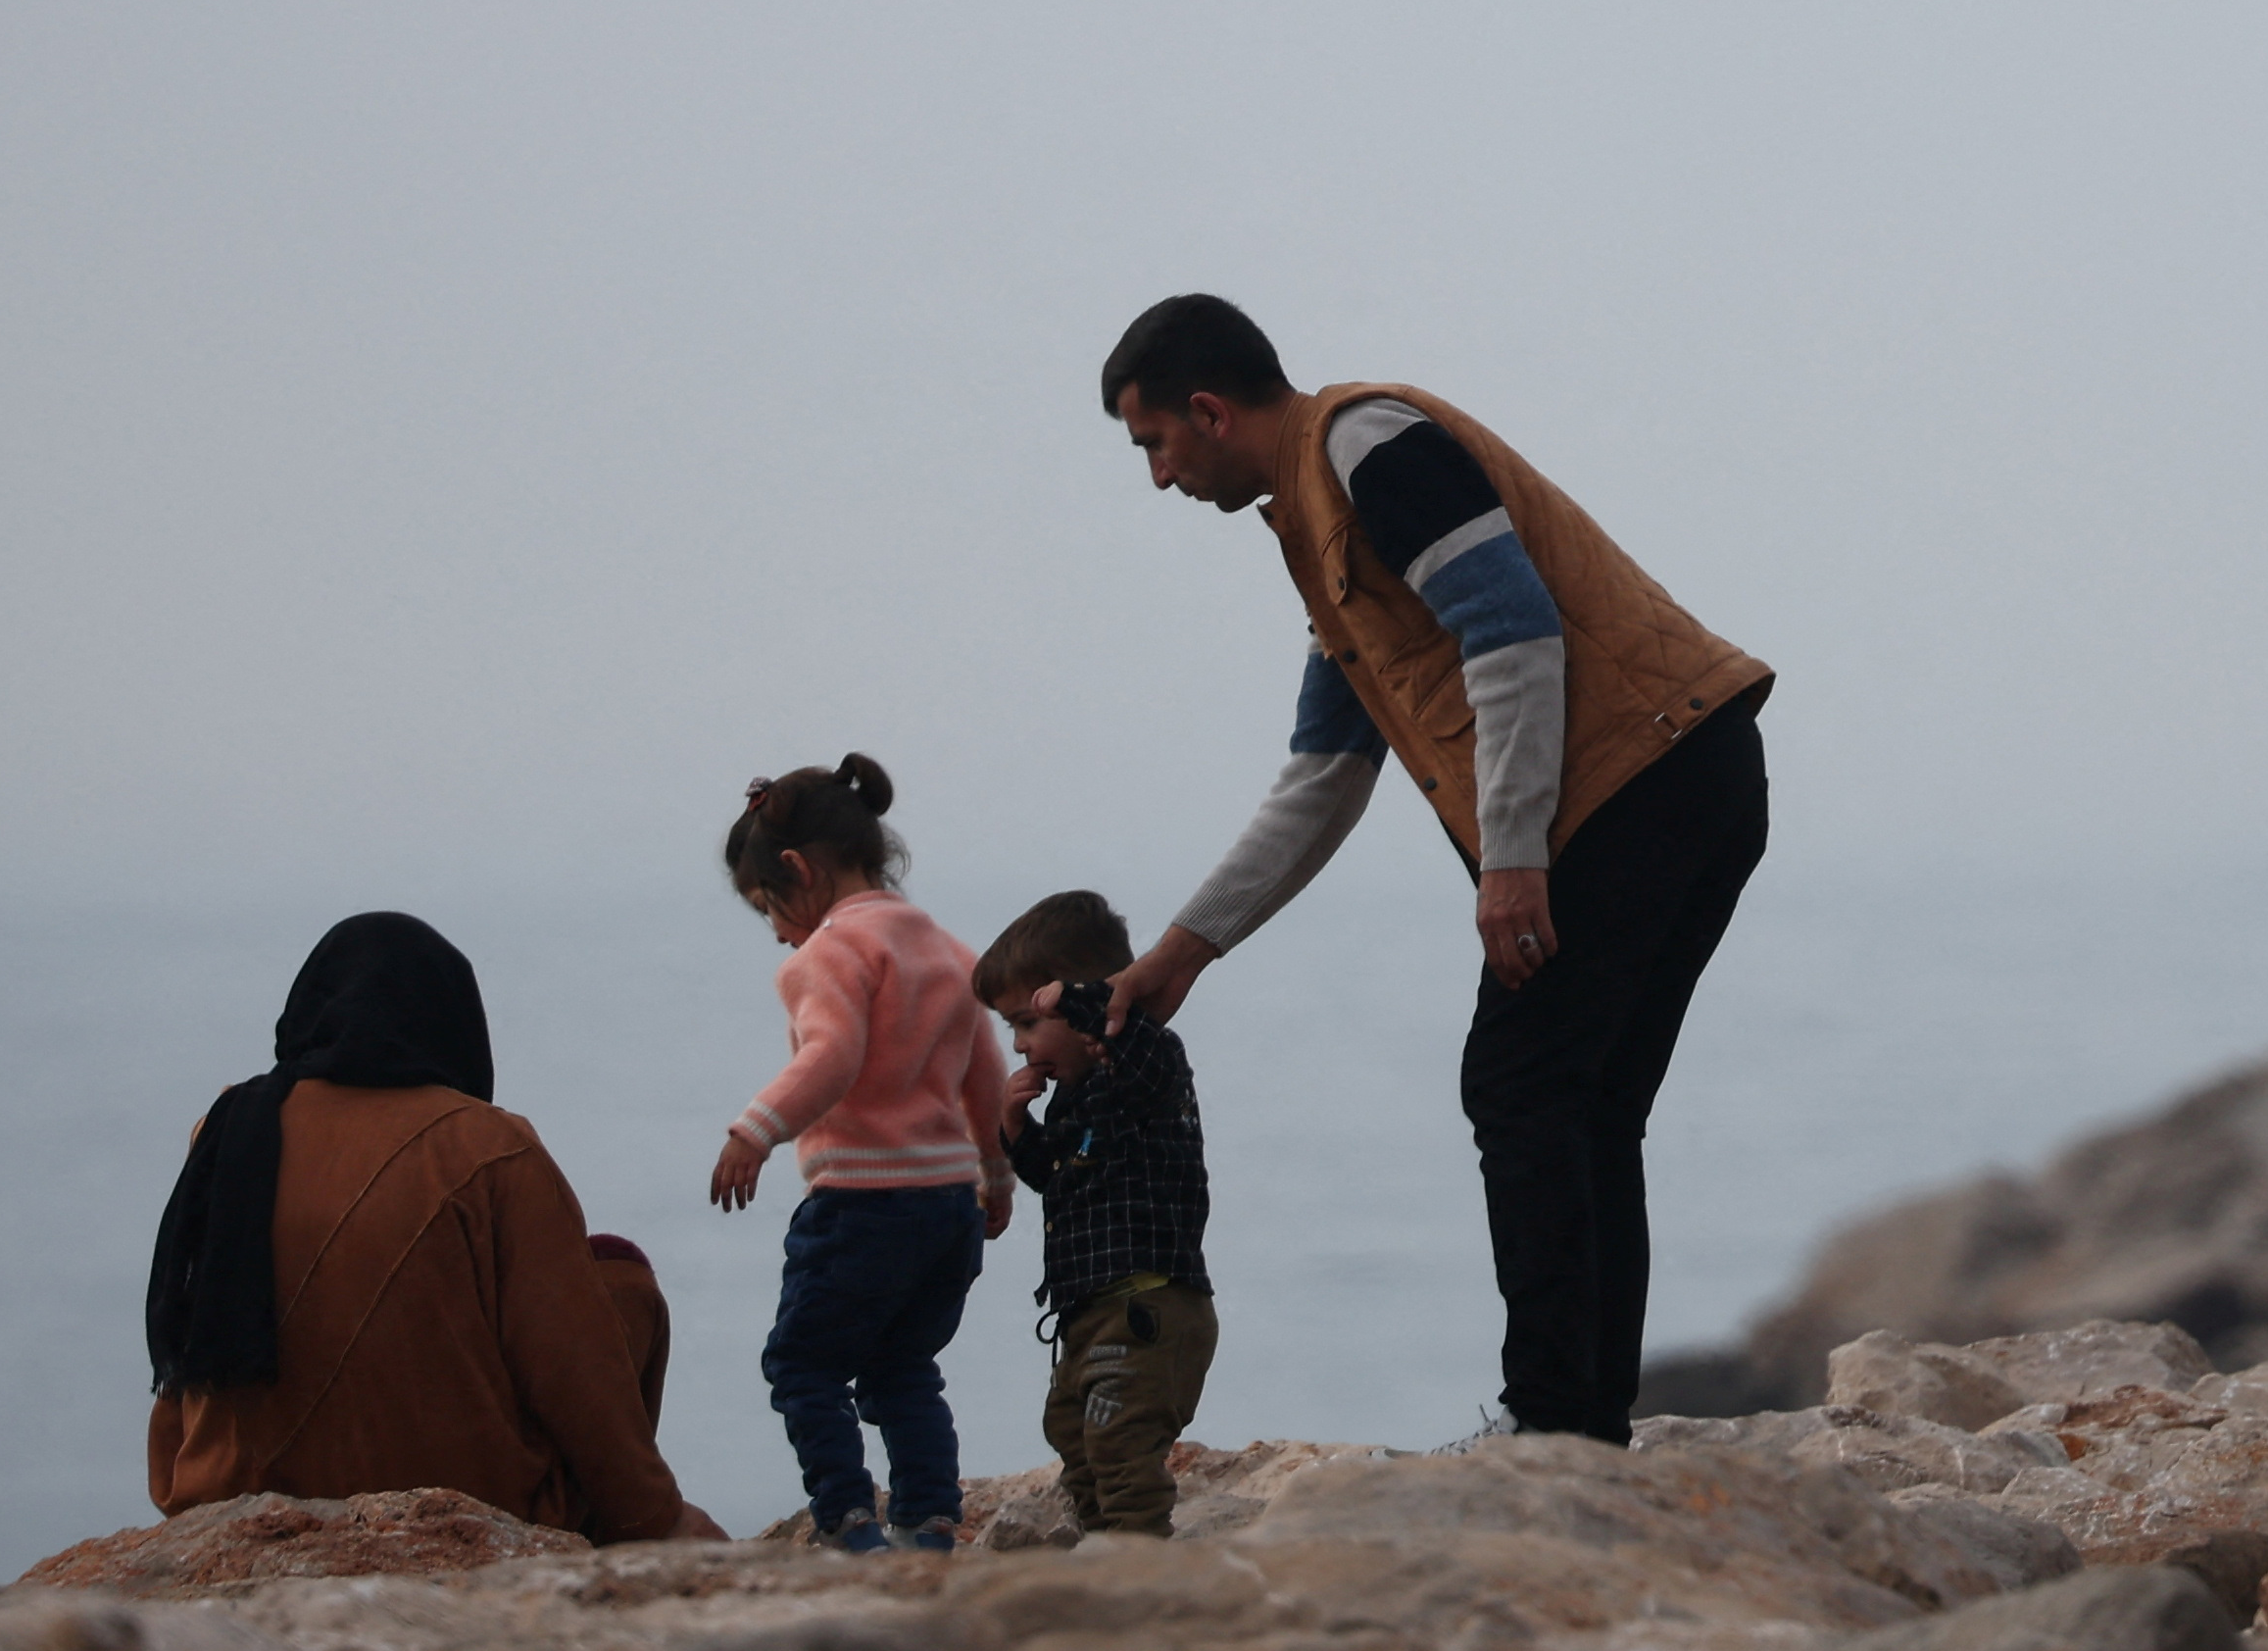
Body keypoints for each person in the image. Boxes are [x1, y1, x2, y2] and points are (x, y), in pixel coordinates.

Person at [1094, 291, 1773, 1447]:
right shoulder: (1319, 528)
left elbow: (1513, 631)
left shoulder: (1366, 446)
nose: (1156, 477)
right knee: (1583, 1104)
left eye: (1151, 443)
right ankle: (1582, 1424)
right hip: (1683, 773)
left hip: (1641, 782)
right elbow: (1323, 772)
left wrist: (1508, 864)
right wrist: (1181, 951)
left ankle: (1555, 1424)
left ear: (1206, 412)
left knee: (1521, 1088)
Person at [145, 912, 712, 1543]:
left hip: (227, 1489)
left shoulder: (229, 1128)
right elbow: (572, 1369)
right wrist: (661, 1519)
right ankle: (624, 1522)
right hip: (457, 1499)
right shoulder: (491, 1146)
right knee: (617, 1276)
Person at [709, 755, 1011, 1552]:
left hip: (863, 1200)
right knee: (903, 1366)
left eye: (767, 906)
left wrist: (756, 1128)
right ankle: (929, 1524)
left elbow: (833, 1054)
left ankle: (850, 1527)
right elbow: (986, 1068)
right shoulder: (947, 948)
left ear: (797, 869)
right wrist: (996, 1169)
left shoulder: (826, 954)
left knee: (803, 1367)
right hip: (948, 1203)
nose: (775, 930)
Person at [977, 890, 1216, 1535]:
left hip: (1149, 1309)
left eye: (1029, 1021)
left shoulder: (1147, 1063)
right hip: (1091, 1313)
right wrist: (1014, 1125)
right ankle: (1101, 1549)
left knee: (1119, 1442)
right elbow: (1057, 1180)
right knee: (1072, 1434)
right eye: (1014, 1028)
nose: (1023, 1045)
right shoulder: (1073, 1098)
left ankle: (1138, 1555)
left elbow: (1133, 1042)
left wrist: (1084, 1000)